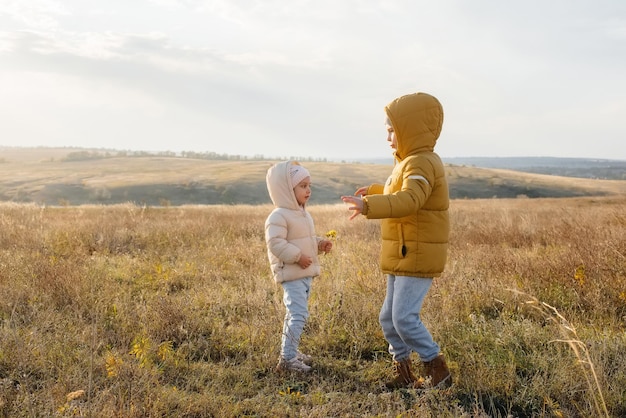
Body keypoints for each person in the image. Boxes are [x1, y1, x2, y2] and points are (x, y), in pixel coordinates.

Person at [341, 92, 452, 389]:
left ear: (410, 130)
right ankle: (403, 373)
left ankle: (437, 369)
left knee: (403, 317)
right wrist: (377, 191)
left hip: (416, 252)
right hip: (403, 250)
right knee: (388, 319)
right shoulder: (408, 163)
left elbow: (411, 199)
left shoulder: (422, 163)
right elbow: (399, 192)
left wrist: (369, 207)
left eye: (392, 130)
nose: (388, 136)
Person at [265, 161, 333, 372]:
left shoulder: (302, 214)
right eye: (302, 186)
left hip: (303, 274)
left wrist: (320, 243)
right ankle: (287, 360)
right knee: (298, 314)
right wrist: (297, 256)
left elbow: (305, 238)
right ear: (287, 189)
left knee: (295, 314)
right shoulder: (278, 215)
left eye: (309, 185)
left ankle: (290, 351)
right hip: (292, 273)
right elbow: (275, 243)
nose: (308, 190)